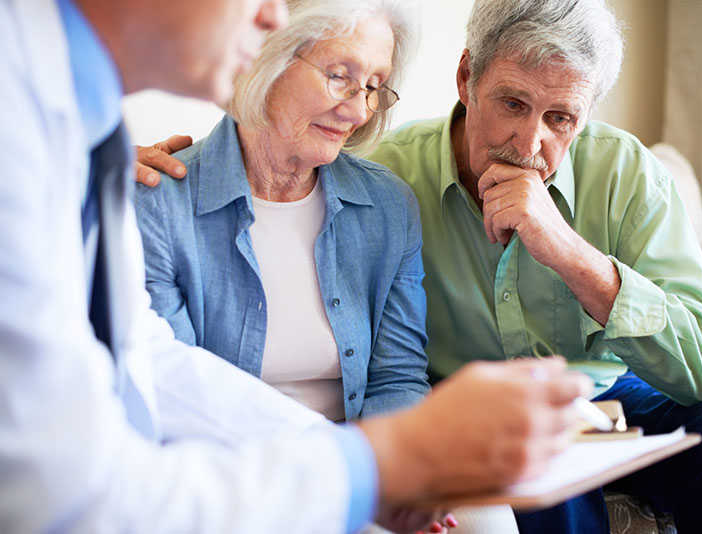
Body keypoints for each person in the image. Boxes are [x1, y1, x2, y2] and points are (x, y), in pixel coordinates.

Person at [139, 0, 702, 532]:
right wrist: (117, 168)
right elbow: (261, 157)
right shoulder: (391, 177)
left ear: (586, 114)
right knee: (530, 477)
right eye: (512, 103)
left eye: (561, 118)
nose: (530, 141)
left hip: (601, 396)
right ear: (467, 79)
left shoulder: (626, 174)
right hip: (478, 406)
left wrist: (566, 250)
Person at [0, 0, 593, 532]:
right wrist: (372, 468)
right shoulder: (121, 174)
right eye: (339, 74)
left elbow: (154, 361)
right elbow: (69, 492)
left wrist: (383, 462)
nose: (269, 20)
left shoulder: (82, 128)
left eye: (374, 85)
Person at [134, 2, 514, 530]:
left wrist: (403, 479)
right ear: (266, 57)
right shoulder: (158, 203)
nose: (359, 111)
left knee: (489, 517)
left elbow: (396, 379)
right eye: (341, 77)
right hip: (237, 478)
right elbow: (174, 402)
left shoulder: (387, 205)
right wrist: (345, 478)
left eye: (374, 86)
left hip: (365, 459)